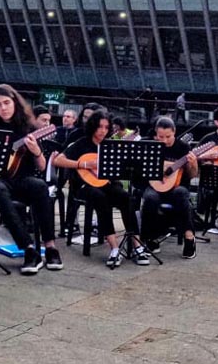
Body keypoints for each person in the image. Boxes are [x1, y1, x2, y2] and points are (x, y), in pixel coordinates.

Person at [0, 84, 60, 274]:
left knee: (40, 186)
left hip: (20, 179)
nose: (3, 108)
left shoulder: (29, 128)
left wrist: (36, 151)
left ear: (15, 103)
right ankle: (28, 249)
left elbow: (42, 166)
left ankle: (51, 248)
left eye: (6, 103)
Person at [52, 114, 149, 268]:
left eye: (106, 127)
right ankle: (114, 248)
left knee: (126, 198)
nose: (103, 130)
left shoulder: (109, 145)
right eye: (99, 127)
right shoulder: (82, 143)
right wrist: (83, 164)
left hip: (106, 183)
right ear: (93, 126)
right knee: (100, 198)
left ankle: (137, 246)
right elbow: (58, 160)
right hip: (84, 186)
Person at [140, 116, 199, 259]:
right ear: (155, 133)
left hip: (176, 187)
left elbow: (192, 175)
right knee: (150, 198)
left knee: (181, 193)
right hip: (154, 186)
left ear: (174, 132)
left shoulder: (183, 147)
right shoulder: (149, 145)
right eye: (160, 137)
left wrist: (193, 164)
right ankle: (151, 238)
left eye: (168, 137)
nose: (165, 141)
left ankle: (189, 237)